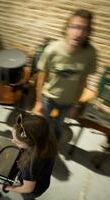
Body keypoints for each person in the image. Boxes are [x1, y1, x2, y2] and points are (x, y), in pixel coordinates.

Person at [34, 9, 97, 139]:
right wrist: (38, 101)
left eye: (84, 29)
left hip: (68, 102)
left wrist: (76, 104)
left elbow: (83, 81)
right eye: (75, 27)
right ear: (66, 28)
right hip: (48, 98)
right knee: (42, 126)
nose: (78, 33)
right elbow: (41, 78)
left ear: (88, 32)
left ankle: (54, 137)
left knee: (58, 126)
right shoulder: (52, 50)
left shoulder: (90, 53)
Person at [0, 114, 57, 200]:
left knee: (27, 198)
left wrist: (6, 187)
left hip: (34, 189)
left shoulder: (29, 165)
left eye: (17, 142)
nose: (12, 141)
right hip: (43, 180)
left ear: (31, 143)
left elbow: (27, 189)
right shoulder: (47, 139)